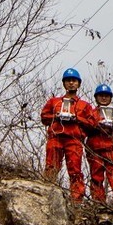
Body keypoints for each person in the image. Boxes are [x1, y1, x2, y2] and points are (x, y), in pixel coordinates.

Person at [41, 67, 96, 201]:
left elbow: (93, 124)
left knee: (75, 171)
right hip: (56, 138)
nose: (71, 83)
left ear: (78, 84)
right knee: (51, 167)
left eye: (74, 81)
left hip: (74, 140)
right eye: (68, 81)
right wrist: (57, 116)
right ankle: (46, 196)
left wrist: (77, 119)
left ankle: (76, 201)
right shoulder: (54, 101)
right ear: (64, 83)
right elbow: (44, 117)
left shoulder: (85, 105)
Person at [85, 84, 113, 204]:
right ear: (96, 97)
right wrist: (97, 126)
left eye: (106, 96)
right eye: (101, 96)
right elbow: (85, 126)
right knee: (96, 176)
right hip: (95, 148)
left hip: (112, 148)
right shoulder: (91, 114)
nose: (104, 98)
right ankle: (98, 202)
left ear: (110, 98)